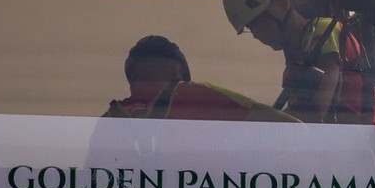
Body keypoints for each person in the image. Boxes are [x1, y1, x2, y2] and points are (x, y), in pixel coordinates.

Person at [222, 0, 375, 123]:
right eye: (250, 28)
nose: (255, 34)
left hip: (369, 138)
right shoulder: (298, 56)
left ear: (282, 3)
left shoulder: (323, 31)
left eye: (257, 23)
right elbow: (297, 113)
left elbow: (315, 111)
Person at [103, 34, 296, 122]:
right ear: (176, 70)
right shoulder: (195, 96)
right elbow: (288, 127)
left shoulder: (109, 119)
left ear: (132, 80)